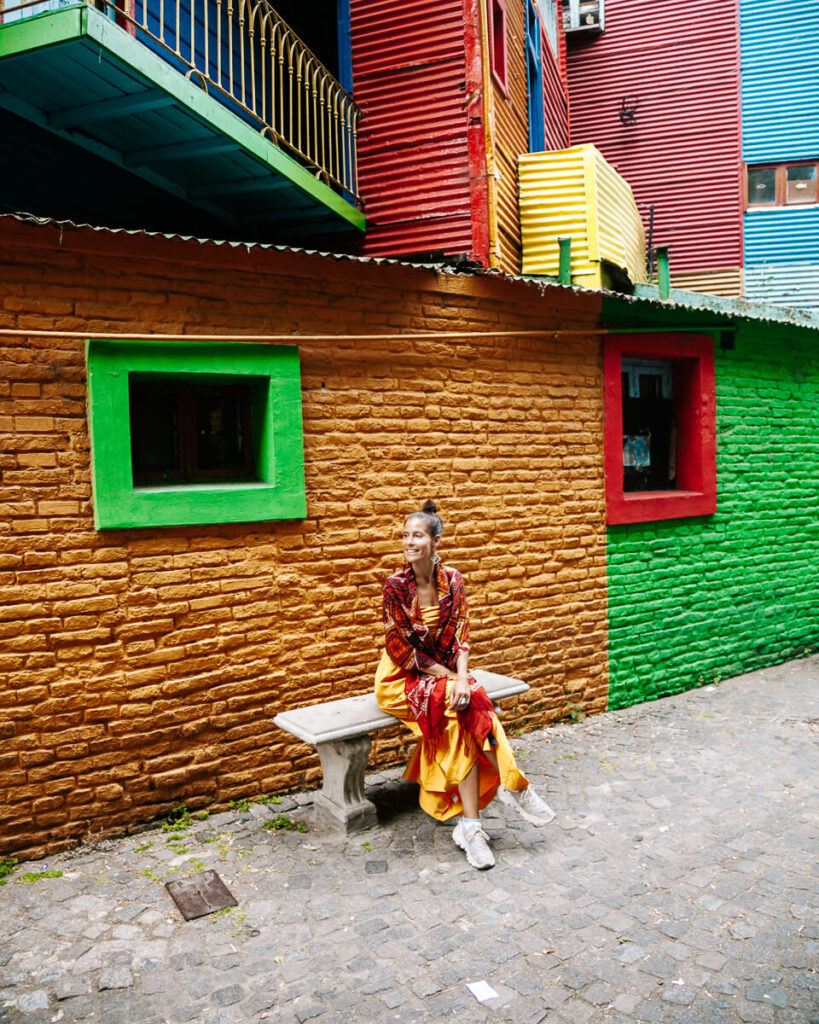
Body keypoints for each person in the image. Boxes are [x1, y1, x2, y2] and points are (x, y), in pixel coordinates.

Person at [374, 499, 555, 870]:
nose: (409, 542)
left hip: (444, 672)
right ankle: (515, 785)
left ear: (436, 541)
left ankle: (471, 827)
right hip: (402, 678)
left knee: (468, 707)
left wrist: (460, 678)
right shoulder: (395, 587)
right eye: (405, 536)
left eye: (418, 536)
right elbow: (400, 650)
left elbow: (461, 636)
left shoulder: (453, 580)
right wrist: (452, 680)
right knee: (466, 701)